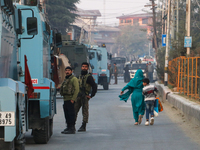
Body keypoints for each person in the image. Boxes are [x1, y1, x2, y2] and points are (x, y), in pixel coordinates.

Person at [75, 62, 97, 132]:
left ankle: (83, 125)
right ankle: (72, 125)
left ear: (87, 68)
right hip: (78, 96)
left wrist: (91, 95)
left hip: (85, 96)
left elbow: (94, 86)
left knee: (84, 112)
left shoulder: (89, 77)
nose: (84, 68)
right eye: (83, 66)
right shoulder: (79, 76)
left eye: (85, 67)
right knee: (74, 111)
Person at [60, 66, 79, 134]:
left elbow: (76, 89)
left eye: (69, 70)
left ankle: (72, 128)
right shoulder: (66, 79)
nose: (67, 72)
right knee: (67, 114)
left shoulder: (74, 79)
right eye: (66, 70)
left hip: (70, 99)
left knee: (71, 114)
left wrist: (73, 99)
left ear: (71, 71)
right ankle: (68, 127)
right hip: (65, 99)